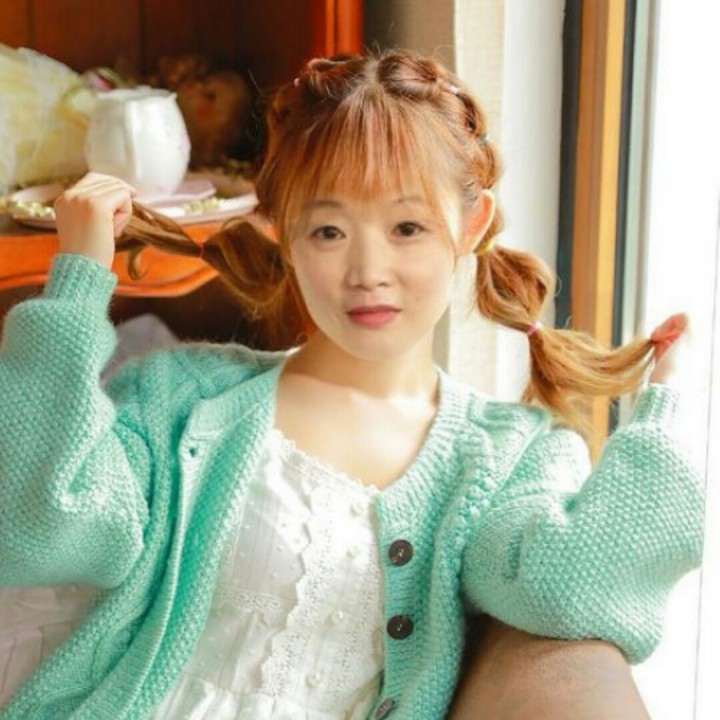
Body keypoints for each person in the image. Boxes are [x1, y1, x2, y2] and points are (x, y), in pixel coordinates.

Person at [0, 48, 703, 720]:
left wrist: (665, 411)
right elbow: (38, 528)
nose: (369, 271)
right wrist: (77, 285)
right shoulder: (182, 397)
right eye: (329, 232)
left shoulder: (509, 455)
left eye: (407, 227)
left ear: (471, 225)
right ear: (281, 233)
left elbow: (574, 590)